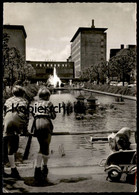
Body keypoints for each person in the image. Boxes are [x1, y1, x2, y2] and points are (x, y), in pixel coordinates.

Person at [3, 85, 30, 179]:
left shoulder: (8, 100)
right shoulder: (25, 101)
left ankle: (9, 169)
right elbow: (27, 117)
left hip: (7, 120)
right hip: (18, 119)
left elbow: (4, 113)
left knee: (6, 144)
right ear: (22, 93)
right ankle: (13, 170)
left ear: (13, 93)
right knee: (13, 147)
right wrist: (25, 130)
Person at [32, 87, 56, 184]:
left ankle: (40, 168)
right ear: (47, 96)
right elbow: (53, 116)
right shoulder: (49, 103)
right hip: (46, 123)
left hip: (37, 124)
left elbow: (33, 114)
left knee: (42, 146)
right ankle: (42, 168)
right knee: (45, 147)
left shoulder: (35, 103)